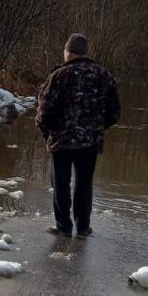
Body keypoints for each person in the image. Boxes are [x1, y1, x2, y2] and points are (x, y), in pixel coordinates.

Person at [35, 32, 120, 238]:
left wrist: (48, 133)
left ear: (68, 53)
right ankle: (83, 228)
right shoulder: (103, 75)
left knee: (61, 183)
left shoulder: (58, 76)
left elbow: (44, 111)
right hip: (90, 141)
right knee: (84, 183)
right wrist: (97, 128)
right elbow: (114, 112)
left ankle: (63, 226)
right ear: (85, 53)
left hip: (61, 141)